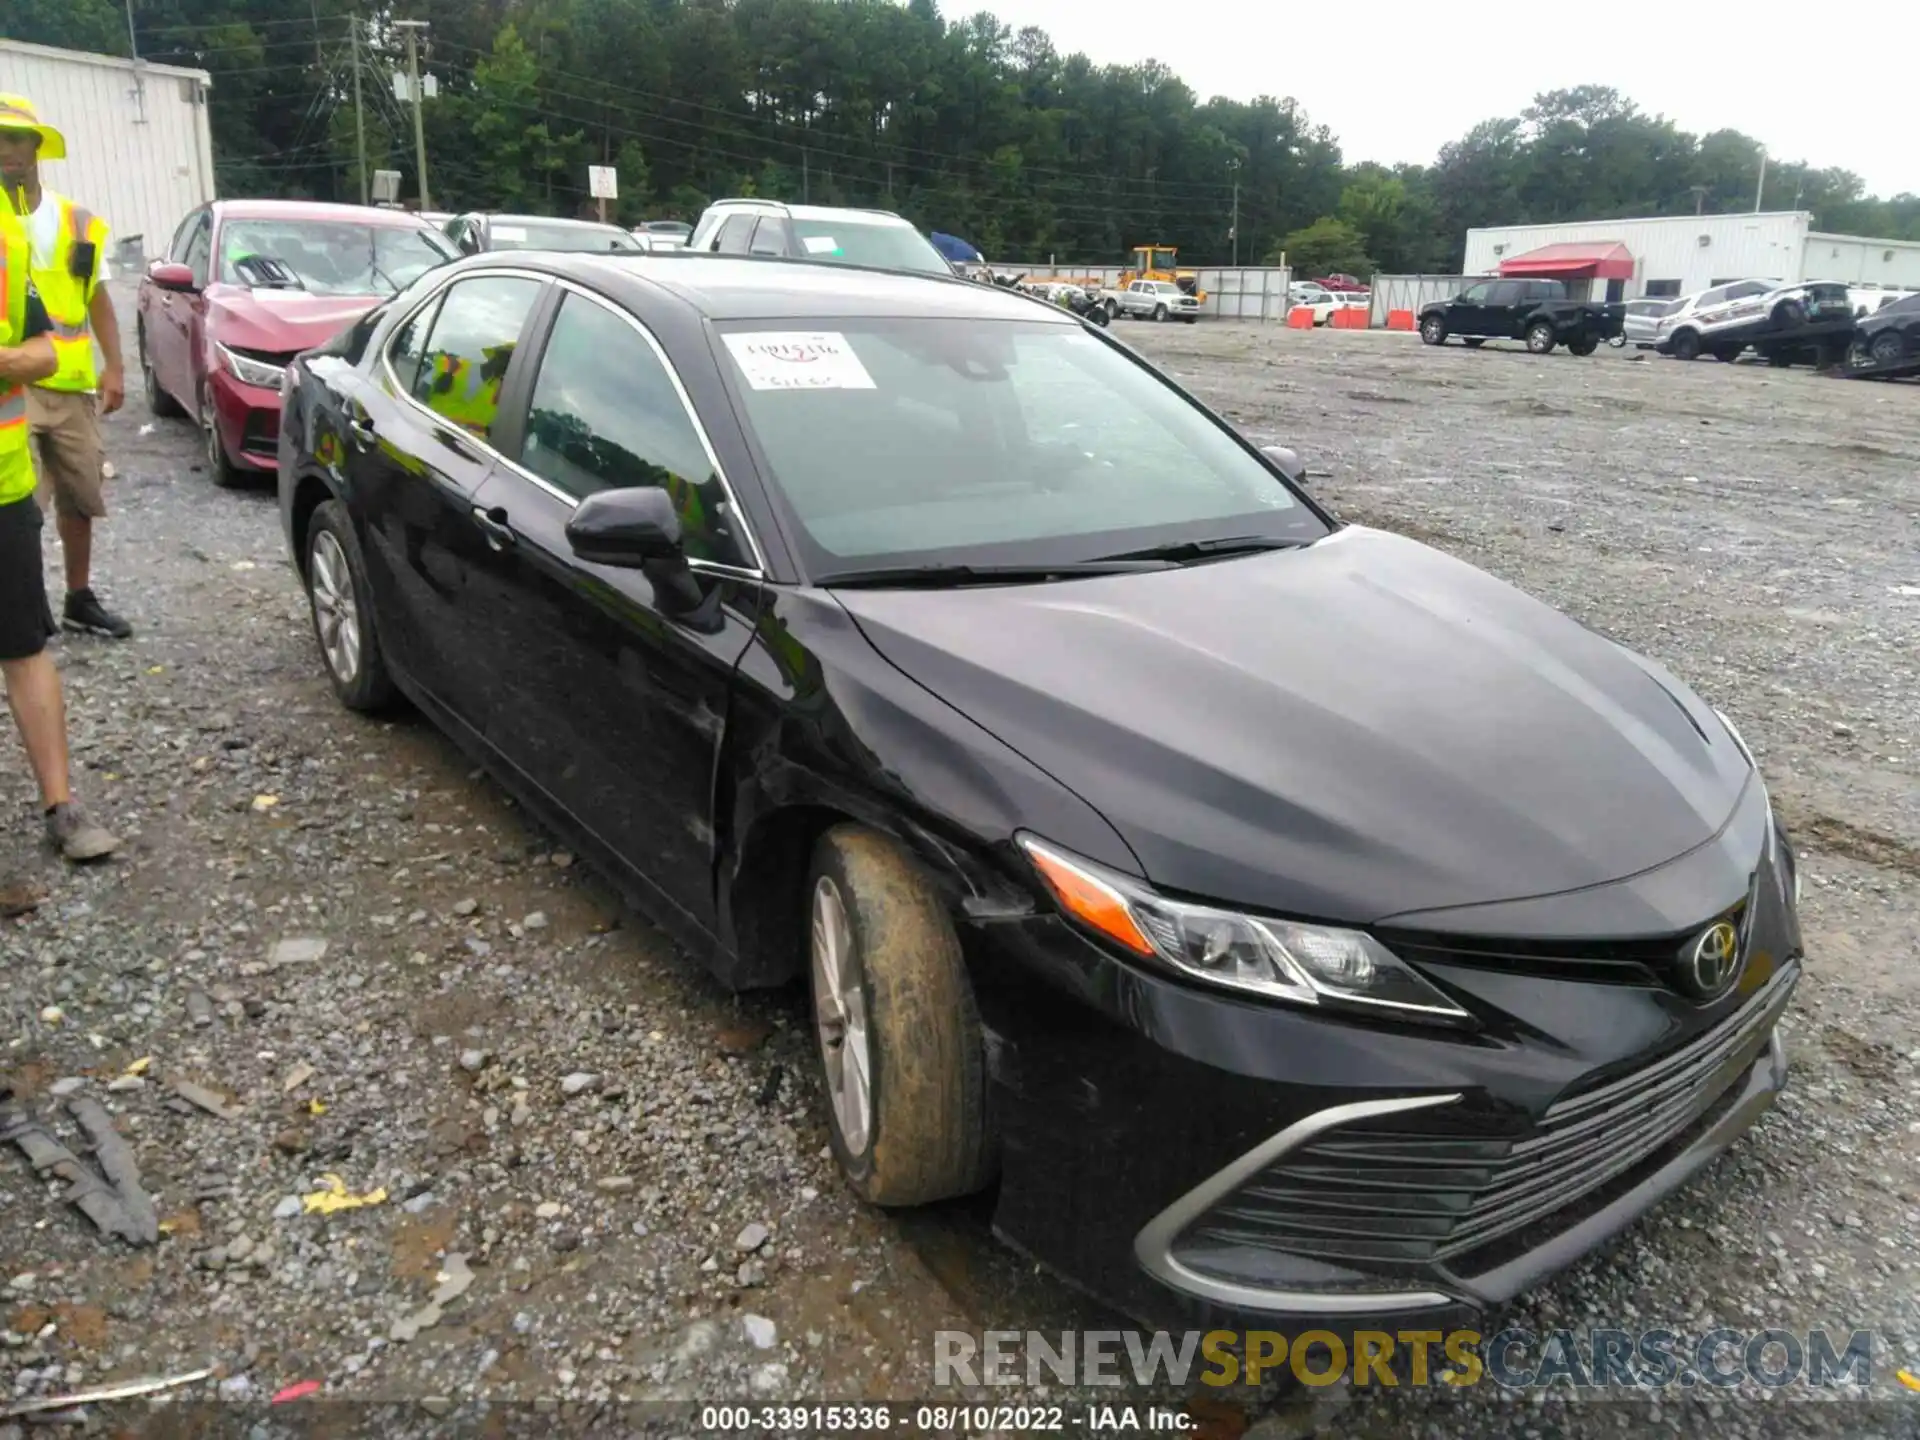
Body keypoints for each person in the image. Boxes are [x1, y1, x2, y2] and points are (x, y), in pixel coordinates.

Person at [0, 168, 120, 913]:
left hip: (2, 484)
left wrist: (23, 359)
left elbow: (52, 342)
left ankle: (62, 807)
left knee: (24, 644)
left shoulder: (13, 241)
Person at [0, 93, 132, 640]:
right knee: (20, 506)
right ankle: (23, 606)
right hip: (13, 385)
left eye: (13, 139)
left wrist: (116, 369)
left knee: (80, 499)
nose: (5, 150)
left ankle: (79, 598)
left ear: (36, 146)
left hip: (72, 384)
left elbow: (97, 295)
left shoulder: (76, 220)